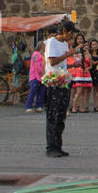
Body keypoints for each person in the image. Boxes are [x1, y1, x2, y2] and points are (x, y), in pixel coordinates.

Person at [43, 23, 72, 157]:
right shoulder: (51, 42)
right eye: (71, 33)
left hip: (63, 81)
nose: (72, 36)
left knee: (61, 115)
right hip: (53, 82)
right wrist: (68, 54)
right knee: (52, 115)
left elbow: (63, 63)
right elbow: (52, 62)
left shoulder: (65, 44)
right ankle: (51, 147)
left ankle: (58, 146)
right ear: (65, 31)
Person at [25, 41, 45, 113]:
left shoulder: (43, 54)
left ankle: (39, 106)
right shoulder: (36, 54)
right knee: (33, 92)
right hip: (35, 76)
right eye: (43, 46)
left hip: (41, 77)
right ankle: (28, 106)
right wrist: (42, 73)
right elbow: (37, 66)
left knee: (41, 92)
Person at [87, 39, 98, 112]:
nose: (95, 46)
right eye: (93, 44)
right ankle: (86, 106)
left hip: (97, 73)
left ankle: (96, 106)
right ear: (91, 46)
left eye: (96, 44)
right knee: (88, 90)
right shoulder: (89, 54)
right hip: (91, 72)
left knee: (97, 90)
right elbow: (91, 62)